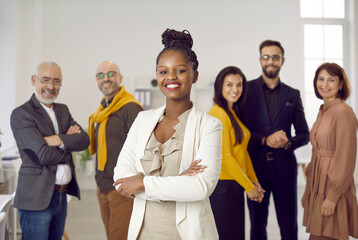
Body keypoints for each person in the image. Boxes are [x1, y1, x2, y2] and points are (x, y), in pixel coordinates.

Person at [113, 29, 223, 240]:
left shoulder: (209, 125)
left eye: (180, 70)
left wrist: (143, 182)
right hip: (143, 232)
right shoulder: (142, 120)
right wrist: (179, 181)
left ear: (195, 75)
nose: (171, 77)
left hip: (187, 233)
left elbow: (201, 187)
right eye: (163, 71)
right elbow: (120, 178)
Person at [10, 62, 89, 240]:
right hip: (36, 197)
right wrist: (69, 145)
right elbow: (42, 155)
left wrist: (57, 139)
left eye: (56, 81)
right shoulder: (21, 114)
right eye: (45, 80)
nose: (50, 86)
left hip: (61, 196)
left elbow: (84, 140)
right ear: (34, 80)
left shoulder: (62, 110)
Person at [245, 40, 309, 240]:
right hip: (255, 170)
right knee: (257, 226)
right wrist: (264, 140)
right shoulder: (246, 90)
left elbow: (304, 134)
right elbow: (241, 133)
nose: (270, 61)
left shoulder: (293, 94)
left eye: (275, 57)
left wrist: (288, 142)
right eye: (266, 57)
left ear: (282, 60)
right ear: (260, 60)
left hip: (285, 170)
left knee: (289, 226)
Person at [302, 63, 358, 240]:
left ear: (341, 84)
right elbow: (317, 150)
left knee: (329, 235)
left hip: (333, 185)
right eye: (321, 79)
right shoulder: (323, 109)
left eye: (331, 80)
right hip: (319, 184)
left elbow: (346, 157)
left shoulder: (344, 112)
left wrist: (333, 196)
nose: (324, 84)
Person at [88, 61, 143, 240]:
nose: (106, 79)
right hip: (103, 184)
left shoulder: (130, 107)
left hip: (122, 187)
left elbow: (143, 147)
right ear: (97, 80)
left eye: (111, 74)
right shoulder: (102, 109)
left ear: (120, 78)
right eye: (101, 75)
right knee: (111, 235)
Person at [208, 66, 264, 239]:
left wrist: (254, 181)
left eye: (239, 85)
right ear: (220, 87)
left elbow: (242, 152)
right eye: (229, 85)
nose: (235, 89)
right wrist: (249, 187)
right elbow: (226, 158)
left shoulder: (231, 112)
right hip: (223, 189)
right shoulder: (218, 114)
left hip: (234, 186)